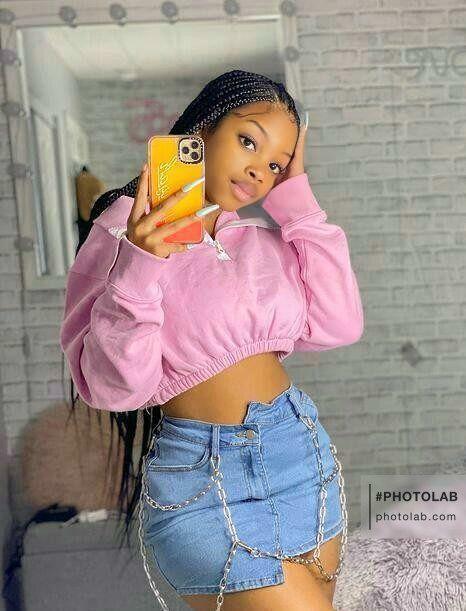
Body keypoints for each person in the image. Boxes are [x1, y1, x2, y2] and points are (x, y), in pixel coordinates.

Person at [59, 69, 364, 611]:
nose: (260, 170)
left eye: (277, 164)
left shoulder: (257, 238)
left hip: (300, 460)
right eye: (248, 141)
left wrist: (297, 204)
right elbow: (113, 388)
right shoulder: (122, 230)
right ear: (202, 130)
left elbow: (338, 324)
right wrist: (141, 263)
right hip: (205, 483)